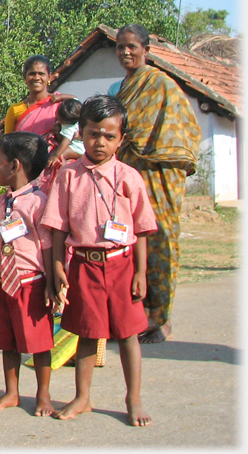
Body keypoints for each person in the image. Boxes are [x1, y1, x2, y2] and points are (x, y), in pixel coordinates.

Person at [41, 95, 158, 427]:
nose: (100, 142)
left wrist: (141, 273)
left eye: (109, 136)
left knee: (128, 334)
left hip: (122, 264)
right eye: (93, 134)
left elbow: (143, 228)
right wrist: (59, 267)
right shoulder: (68, 175)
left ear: (121, 139)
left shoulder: (129, 177)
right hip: (83, 264)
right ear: (81, 133)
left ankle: (133, 399)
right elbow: (58, 226)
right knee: (87, 333)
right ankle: (83, 397)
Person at [110, 23, 201, 344]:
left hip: (159, 174)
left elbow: (181, 126)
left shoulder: (161, 84)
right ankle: (134, 315)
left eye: (132, 46)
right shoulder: (121, 88)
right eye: (120, 46)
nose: (125, 52)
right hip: (127, 176)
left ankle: (161, 318)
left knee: (158, 239)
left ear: (146, 50)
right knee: (127, 245)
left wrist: (155, 149)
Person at [0, 131, 55, 416]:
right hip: (3, 282)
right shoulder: (0, 203)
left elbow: (47, 244)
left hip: (30, 283)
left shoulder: (38, 203)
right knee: (7, 341)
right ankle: (11, 392)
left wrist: (52, 283)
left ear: (14, 166)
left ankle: (43, 394)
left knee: (38, 342)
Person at [47, 98, 85, 167]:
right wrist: (61, 96)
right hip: (83, 146)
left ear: (67, 122)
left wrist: (56, 155)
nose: (57, 118)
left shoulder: (69, 127)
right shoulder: (75, 107)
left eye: (60, 119)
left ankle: (63, 171)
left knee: (61, 156)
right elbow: (73, 97)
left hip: (77, 148)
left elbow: (66, 141)